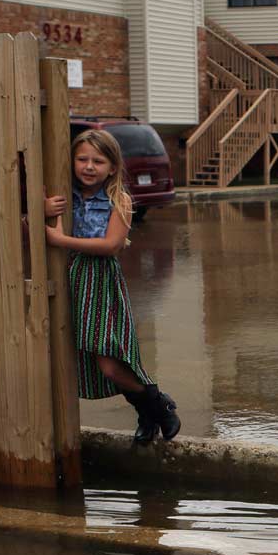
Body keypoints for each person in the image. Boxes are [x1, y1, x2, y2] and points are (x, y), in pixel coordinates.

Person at [44, 129, 179, 444]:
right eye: (82, 159)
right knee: (85, 359)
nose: (89, 166)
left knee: (109, 360)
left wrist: (61, 240)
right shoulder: (65, 193)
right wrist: (41, 211)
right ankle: (147, 414)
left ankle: (159, 405)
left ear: (113, 167)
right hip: (72, 279)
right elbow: (24, 221)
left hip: (101, 281)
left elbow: (111, 245)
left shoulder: (120, 199)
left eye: (98, 161)